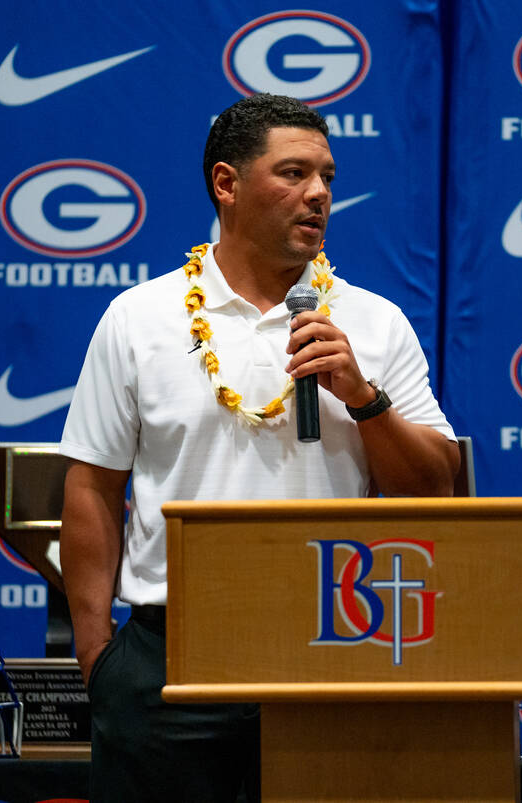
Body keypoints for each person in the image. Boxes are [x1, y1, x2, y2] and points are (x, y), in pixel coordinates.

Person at [58, 93, 459, 802]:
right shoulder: (138, 318)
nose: (319, 193)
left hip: (334, 645)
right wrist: (99, 656)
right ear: (227, 183)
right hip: (169, 657)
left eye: (327, 177)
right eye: (294, 173)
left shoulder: (374, 322)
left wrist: (363, 397)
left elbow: (437, 486)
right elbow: (92, 486)